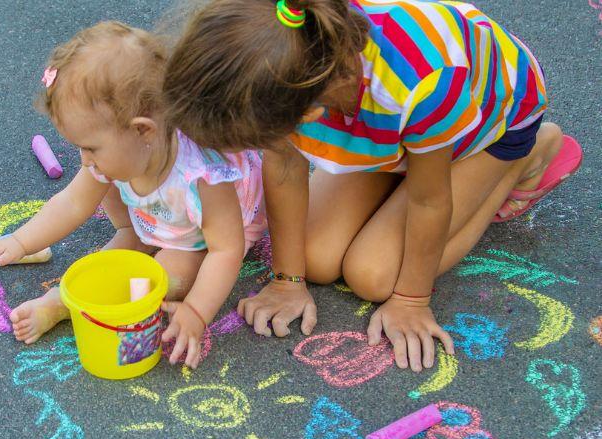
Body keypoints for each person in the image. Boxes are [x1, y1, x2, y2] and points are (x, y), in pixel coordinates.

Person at [162, 0, 582, 371]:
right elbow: (284, 166)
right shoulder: (291, 63)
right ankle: (399, 162)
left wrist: (411, 300)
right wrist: (287, 280)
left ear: (306, 115)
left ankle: (528, 156)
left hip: (486, 128)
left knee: (375, 277)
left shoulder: (424, 84)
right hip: (383, 127)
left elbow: (430, 200)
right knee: (315, 259)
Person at [0, 21, 265, 368]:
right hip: (157, 219)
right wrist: (18, 242)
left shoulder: (204, 177)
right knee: (103, 207)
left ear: (143, 131)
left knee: (159, 277)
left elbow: (225, 250)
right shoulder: (117, 156)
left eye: (90, 147)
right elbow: (72, 203)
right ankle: (114, 251)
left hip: (202, 238)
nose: (84, 159)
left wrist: (196, 312)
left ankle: (64, 304)